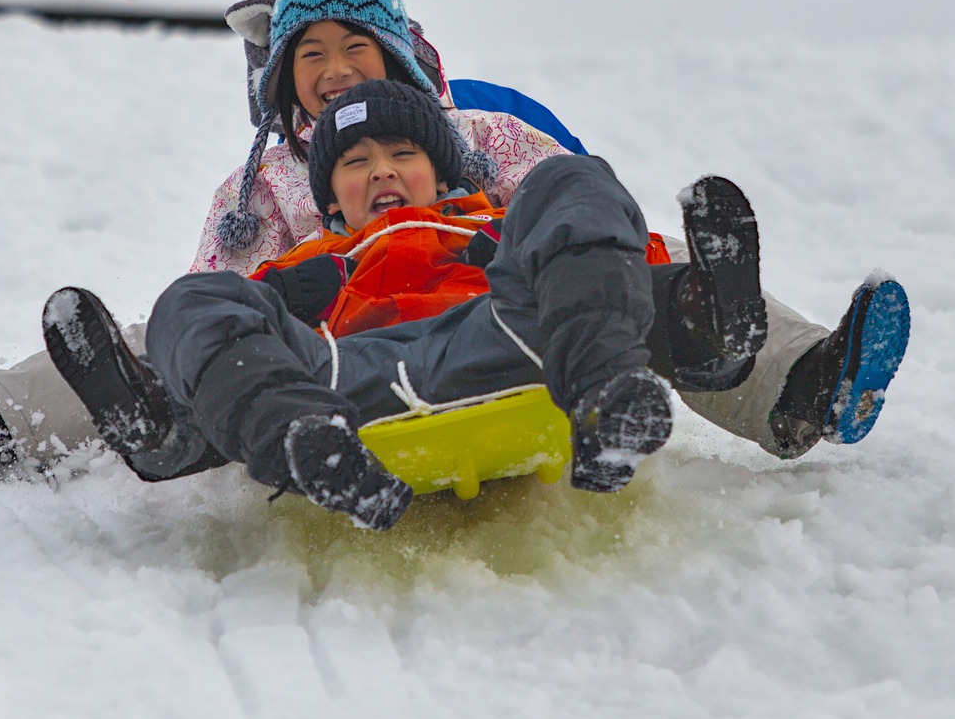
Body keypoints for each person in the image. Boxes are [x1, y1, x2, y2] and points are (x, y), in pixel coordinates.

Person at [0, 0, 570, 476]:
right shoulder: (268, 186)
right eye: (309, 54)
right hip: (334, 363)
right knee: (156, 335)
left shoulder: (479, 133)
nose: (335, 71)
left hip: (482, 325)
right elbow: (215, 302)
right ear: (280, 76)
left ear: (393, 50)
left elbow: (574, 214)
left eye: (355, 46)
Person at [40, 80, 777, 515]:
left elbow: (613, 259)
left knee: (575, 183)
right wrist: (266, 304)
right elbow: (228, 326)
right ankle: (247, 438)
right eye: (356, 163)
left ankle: (661, 356)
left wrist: (669, 294)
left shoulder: (492, 226)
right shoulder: (312, 260)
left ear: (441, 171)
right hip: (344, 385)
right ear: (331, 198)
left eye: (403, 154)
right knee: (192, 302)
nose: (382, 170)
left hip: (506, 342)